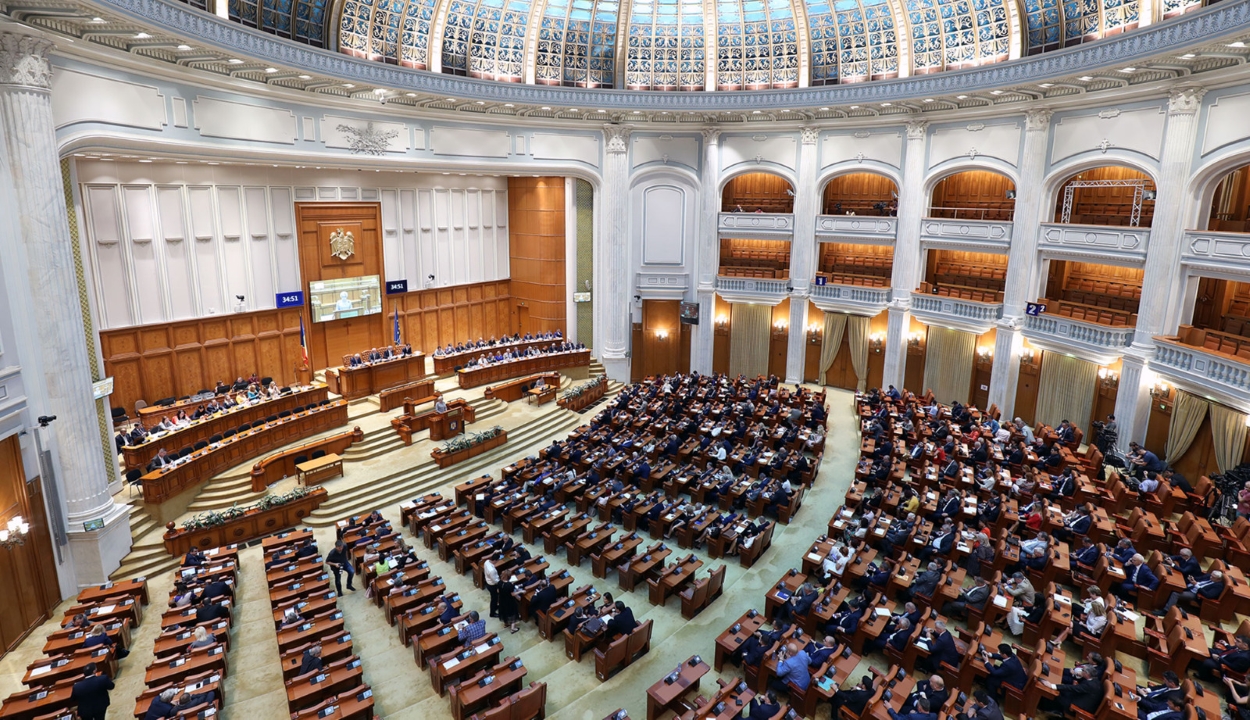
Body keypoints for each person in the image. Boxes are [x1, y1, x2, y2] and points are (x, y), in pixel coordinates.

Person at [1154, 570, 1224, 615]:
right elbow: (1199, 579)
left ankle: (1166, 611)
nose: (1210, 577)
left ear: (1219, 579)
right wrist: (1192, 579)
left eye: (1213, 577)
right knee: (1172, 586)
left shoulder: (1218, 586)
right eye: (1211, 575)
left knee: (1175, 593)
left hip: (1195, 594)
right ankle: (1158, 603)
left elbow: (1208, 595)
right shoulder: (1209, 576)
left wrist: (1196, 585)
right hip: (1190, 586)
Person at [484, 553, 501, 618]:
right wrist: (501, 582)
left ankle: (495, 607)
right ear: (495, 560)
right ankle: (492, 613)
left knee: (495, 598)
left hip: (488, 582)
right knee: (494, 599)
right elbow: (495, 581)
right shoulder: (492, 570)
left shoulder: (487, 562)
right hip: (492, 585)